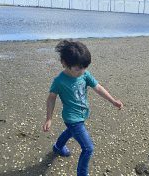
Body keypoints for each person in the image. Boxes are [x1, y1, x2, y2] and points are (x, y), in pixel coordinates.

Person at [43, 40, 123, 176]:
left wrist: (113, 101)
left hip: (82, 114)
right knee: (88, 148)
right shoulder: (59, 81)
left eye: (84, 67)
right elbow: (51, 99)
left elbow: (97, 87)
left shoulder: (84, 74)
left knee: (69, 132)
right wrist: (49, 118)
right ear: (64, 63)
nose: (82, 71)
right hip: (72, 118)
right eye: (78, 68)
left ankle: (57, 147)